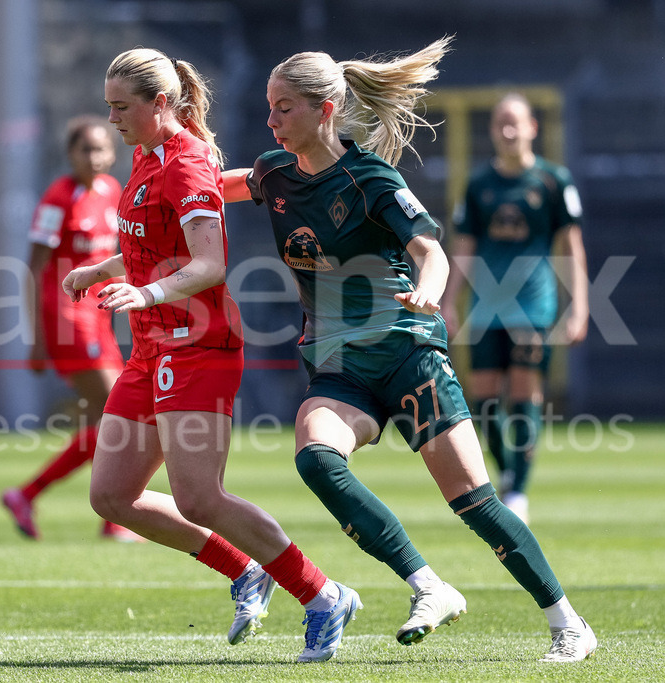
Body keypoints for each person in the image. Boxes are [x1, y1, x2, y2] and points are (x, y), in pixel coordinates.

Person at [222, 39, 597, 663]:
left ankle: (569, 624)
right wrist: (175, 174)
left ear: (326, 109)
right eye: (268, 107)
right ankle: (429, 586)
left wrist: (427, 291)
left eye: (283, 108)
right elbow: (212, 188)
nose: (270, 121)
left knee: (474, 503)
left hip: (405, 350)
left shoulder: (371, 177)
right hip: (339, 365)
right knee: (316, 460)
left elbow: (431, 250)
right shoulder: (272, 173)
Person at [61, 47, 360, 663]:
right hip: (151, 348)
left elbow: (210, 264)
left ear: (160, 102)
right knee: (112, 497)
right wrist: (103, 267)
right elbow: (155, 247)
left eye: (122, 107)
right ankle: (245, 571)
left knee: (199, 497)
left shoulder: (187, 166)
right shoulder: (146, 157)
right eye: (109, 106)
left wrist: (142, 290)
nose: (112, 119)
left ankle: (323, 594)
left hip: (200, 348)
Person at [442, 93, 589, 523]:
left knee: (525, 395)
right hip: (486, 310)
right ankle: (508, 474)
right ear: (492, 131)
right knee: (485, 402)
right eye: (501, 123)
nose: (508, 130)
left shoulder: (553, 181)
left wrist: (579, 307)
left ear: (532, 128)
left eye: (516, 122)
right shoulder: (478, 184)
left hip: (532, 308)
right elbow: (464, 249)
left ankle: (519, 492)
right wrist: (449, 302)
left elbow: (571, 248)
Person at [1, 116, 142, 543]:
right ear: (70, 154)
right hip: (64, 317)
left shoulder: (112, 193)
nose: (95, 157)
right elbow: (34, 268)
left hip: (96, 318)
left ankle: (28, 495)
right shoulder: (57, 198)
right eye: (86, 149)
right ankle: (114, 519)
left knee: (113, 420)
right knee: (123, 414)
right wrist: (37, 340)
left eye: (102, 149)